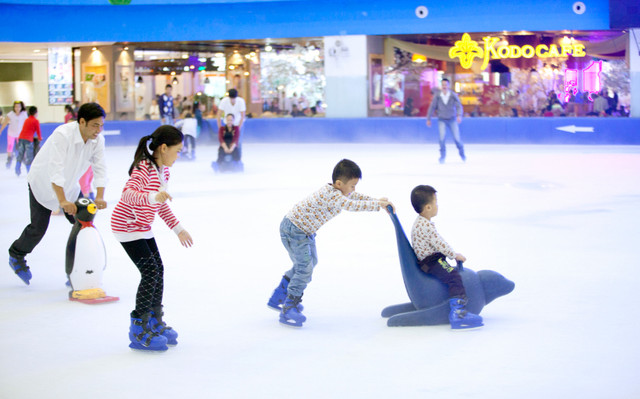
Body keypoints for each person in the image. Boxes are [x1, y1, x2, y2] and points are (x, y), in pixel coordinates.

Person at [267, 159, 395, 327]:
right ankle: (288, 307)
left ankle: (280, 296)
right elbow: (350, 205)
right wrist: (377, 206)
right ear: (339, 183)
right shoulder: (332, 195)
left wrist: (377, 201)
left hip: (303, 232)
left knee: (309, 264)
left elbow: (354, 197)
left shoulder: (340, 191)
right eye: (352, 186)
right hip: (294, 231)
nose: (353, 190)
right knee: (305, 267)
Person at [110, 125, 193, 351]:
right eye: (177, 151)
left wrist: (178, 229)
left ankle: (155, 321)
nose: (179, 156)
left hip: (143, 226)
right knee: (150, 271)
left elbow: (161, 204)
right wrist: (152, 195)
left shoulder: (163, 171)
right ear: (164, 148)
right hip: (126, 226)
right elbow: (128, 194)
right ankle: (138, 328)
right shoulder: (143, 168)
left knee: (159, 269)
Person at [7, 103, 108, 285]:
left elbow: (100, 167)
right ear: (82, 122)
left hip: (70, 187)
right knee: (38, 229)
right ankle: (16, 254)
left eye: (101, 125)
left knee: (83, 225)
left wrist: (100, 195)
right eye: (95, 125)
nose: (98, 130)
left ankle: (75, 271)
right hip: (42, 185)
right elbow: (56, 170)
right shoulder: (63, 135)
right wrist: (62, 201)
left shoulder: (97, 140)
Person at [409, 185, 483, 330]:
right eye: (435, 202)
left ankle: (458, 311)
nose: (437, 206)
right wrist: (454, 255)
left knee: (451, 273)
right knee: (454, 276)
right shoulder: (426, 226)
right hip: (431, 262)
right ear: (428, 207)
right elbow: (440, 244)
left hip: (429, 260)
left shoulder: (421, 222)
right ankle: (458, 313)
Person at [426, 79, 465, 164]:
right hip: (442, 119)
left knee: (457, 138)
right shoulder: (438, 95)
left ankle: (462, 153)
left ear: (448, 86)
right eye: (443, 85)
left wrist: (459, 115)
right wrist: (428, 118)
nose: (444, 86)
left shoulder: (452, 95)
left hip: (452, 119)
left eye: (446, 85)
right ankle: (442, 156)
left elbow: (458, 105)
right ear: (441, 85)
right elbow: (432, 107)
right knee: (442, 138)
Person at [0, 100, 28, 169]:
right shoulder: (10, 114)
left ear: (21, 107)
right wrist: (0, 131)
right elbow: (5, 123)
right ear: (14, 107)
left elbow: (27, 123)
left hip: (20, 134)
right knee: (10, 146)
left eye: (18, 107)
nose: (17, 108)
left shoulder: (24, 114)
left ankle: (23, 158)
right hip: (11, 133)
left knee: (21, 147)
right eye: (16, 107)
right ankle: (9, 159)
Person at [15, 106, 42, 176]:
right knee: (29, 156)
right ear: (35, 113)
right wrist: (39, 138)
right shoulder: (36, 121)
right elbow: (38, 131)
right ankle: (29, 172)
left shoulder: (26, 120)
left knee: (20, 154)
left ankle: (17, 168)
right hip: (28, 140)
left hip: (21, 138)